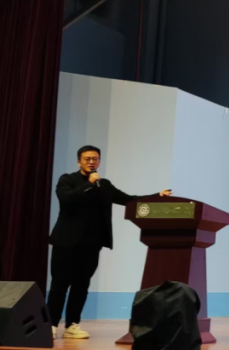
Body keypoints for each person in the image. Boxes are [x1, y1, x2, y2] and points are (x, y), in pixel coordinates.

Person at [47, 145, 172, 339]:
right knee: (60, 284)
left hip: (91, 244)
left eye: (95, 159)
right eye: (87, 159)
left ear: (99, 162)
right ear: (79, 162)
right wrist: (88, 184)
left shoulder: (104, 185)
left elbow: (129, 200)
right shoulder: (68, 180)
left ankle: (72, 325)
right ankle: (51, 325)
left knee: (81, 286)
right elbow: (67, 199)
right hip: (66, 243)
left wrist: (157, 197)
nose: (91, 162)